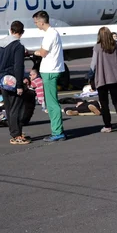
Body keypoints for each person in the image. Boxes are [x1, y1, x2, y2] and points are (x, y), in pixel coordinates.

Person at [32, 10, 66, 142]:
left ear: (41, 22)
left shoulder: (50, 34)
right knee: (51, 102)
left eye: (36, 22)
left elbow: (43, 52)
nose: (36, 25)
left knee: (52, 103)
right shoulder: (53, 33)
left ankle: (57, 131)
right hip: (53, 69)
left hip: (50, 71)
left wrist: (35, 52)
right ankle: (57, 130)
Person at [91, 27, 117, 133]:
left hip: (102, 78)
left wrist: (90, 76)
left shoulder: (97, 47)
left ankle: (108, 125)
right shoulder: (115, 46)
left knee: (104, 103)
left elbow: (93, 64)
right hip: (114, 78)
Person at [0, 20, 28, 144]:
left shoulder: (1, 44)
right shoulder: (18, 46)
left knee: (9, 107)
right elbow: (18, 67)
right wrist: (20, 85)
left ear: (11, 30)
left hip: (2, 80)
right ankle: (17, 135)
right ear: (22, 32)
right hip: (12, 80)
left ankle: (14, 132)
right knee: (17, 108)